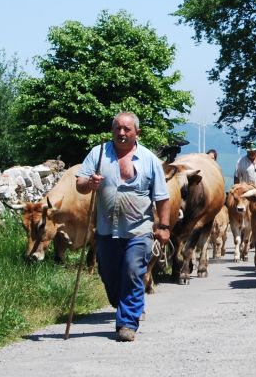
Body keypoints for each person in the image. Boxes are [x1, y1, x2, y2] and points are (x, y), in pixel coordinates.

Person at [75, 112, 172, 342]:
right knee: (109, 275)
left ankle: (127, 322)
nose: (121, 133)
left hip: (139, 229)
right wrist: (90, 183)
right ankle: (124, 304)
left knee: (132, 270)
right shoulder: (98, 154)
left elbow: (162, 198)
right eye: (117, 128)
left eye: (127, 129)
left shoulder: (149, 159)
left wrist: (165, 226)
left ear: (137, 132)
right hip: (107, 230)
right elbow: (80, 184)